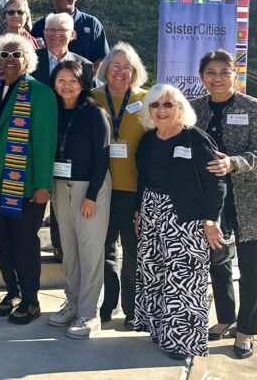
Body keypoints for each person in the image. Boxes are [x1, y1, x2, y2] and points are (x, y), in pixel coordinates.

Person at [134, 84, 225, 360]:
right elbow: (142, 177)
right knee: (155, 274)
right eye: (155, 105)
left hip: (186, 219)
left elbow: (216, 183)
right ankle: (159, 329)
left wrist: (211, 220)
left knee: (183, 280)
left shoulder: (195, 139)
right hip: (152, 214)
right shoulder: (148, 140)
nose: (161, 111)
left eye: (168, 105)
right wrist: (139, 211)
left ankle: (182, 341)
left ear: (181, 108)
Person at [190, 50, 257, 360]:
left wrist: (233, 163)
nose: (217, 77)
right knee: (218, 261)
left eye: (224, 71)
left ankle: (246, 330)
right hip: (213, 199)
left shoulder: (253, 106)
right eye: (211, 72)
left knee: (251, 267)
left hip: (250, 196)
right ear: (202, 78)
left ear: (235, 76)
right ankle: (226, 317)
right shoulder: (195, 109)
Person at [0, 34, 57, 324]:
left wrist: (42, 185)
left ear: (28, 60)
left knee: (24, 243)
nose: (10, 60)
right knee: (2, 242)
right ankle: (12, 291)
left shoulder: (40, 94)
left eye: (16, 55)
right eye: (4, 55)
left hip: (25, 184)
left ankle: (31, 299)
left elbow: (44, 142)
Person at [45, 61, 111, 339]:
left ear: (83, 83)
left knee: (90, 252)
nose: (66, 85)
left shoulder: (95, 113)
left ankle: (89, 313)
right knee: (69, 250)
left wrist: (92, 196)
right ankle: (72, 301)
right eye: (61, 80)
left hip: (89, 188)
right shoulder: (54, 111)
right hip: (61, 186)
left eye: (72, 80)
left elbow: (103, 158)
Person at [92, 43, 148, 328]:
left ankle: (132, 308)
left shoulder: (147, 100)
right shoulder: (92, 97)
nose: (121, 72)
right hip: (101, 188)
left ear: (135, 71)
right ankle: (108, 302)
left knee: (133, 251)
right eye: (116, 66)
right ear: (106, 69)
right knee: (104, 249)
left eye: (127, 67)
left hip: (133, 190)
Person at [30, 0, 110, 68]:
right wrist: (26, 82)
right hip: (44, 81)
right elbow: (25, 77)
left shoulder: (92, 23)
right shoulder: (40, 26)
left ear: (73, 34)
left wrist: (89, 78)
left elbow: (102, 57)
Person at [31, 12, 95, 87]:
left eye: (62, 30)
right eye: (51, 30)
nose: (56, 34)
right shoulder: (30, 59)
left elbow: (86, 96)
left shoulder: (85, 66)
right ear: (44, 33)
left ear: (72, 35)